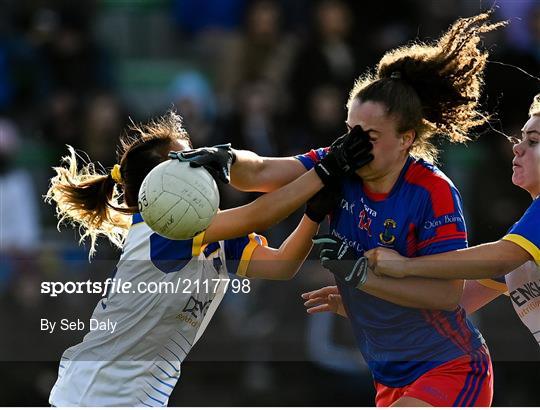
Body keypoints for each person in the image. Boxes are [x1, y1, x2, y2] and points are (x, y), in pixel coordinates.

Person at [179, 12, 505, 407]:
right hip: (389, 379)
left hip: (449, 369)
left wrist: (360, 278)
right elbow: (262, 171)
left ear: (406, 139)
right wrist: (226, 160)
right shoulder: (340, 165)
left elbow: (447, 296)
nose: (355, 144)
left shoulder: (432, 192)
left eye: (369, 136)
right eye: (350, 130)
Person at [45, 111, 372, 406]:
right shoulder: (164, 227)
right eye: (184, 158)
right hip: (92, 396)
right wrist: (324, 173)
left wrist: (313, 215)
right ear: (161, 180)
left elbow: (281, 265)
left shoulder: (209, 229)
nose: (196, 163)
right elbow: (260, 215)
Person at [364, 94, 540, 346]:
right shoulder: (523, 242)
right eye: (521, 138)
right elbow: (450, 304)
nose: (517, 147)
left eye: (533, 141)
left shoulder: (511, 252)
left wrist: (405, 266)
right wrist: (361, 302)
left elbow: (497, 261)